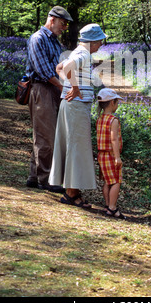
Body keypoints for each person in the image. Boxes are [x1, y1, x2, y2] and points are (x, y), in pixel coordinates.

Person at [49, 23, 107, 208]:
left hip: (72, 105)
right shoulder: (83, 53)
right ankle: (71, 194)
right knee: (76, 146)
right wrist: (74, 87)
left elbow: (59, 67)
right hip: (76, 106)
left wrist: (70, 84)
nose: (100, 46)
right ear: (94, 41)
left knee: (72, 144)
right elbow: (66, 68)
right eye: (100, 42)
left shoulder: (78, 52)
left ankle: (72, 190)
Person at [25, 6, 73, 192]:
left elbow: (58, 67)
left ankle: (34, 176)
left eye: (66, 24)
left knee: (43, 134)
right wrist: (64, 87)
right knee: (47, 136)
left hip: (52, 89)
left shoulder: (54, 42)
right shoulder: (38, 39)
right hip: (42, 89)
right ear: (52, 19)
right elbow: (44, 71)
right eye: (63, 23)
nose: (65, 27)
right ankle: (46, 180)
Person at [96, 88, 125, 219]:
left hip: (101, 154)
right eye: (117, 102)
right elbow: (114, 139)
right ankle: (112, 207)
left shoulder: (100, 119)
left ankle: (108, 205)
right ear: (112, 103)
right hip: (110, 155)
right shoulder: (113, 120)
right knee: (116, 181)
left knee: (107, 181)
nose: (117, 105)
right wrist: (117, 157)